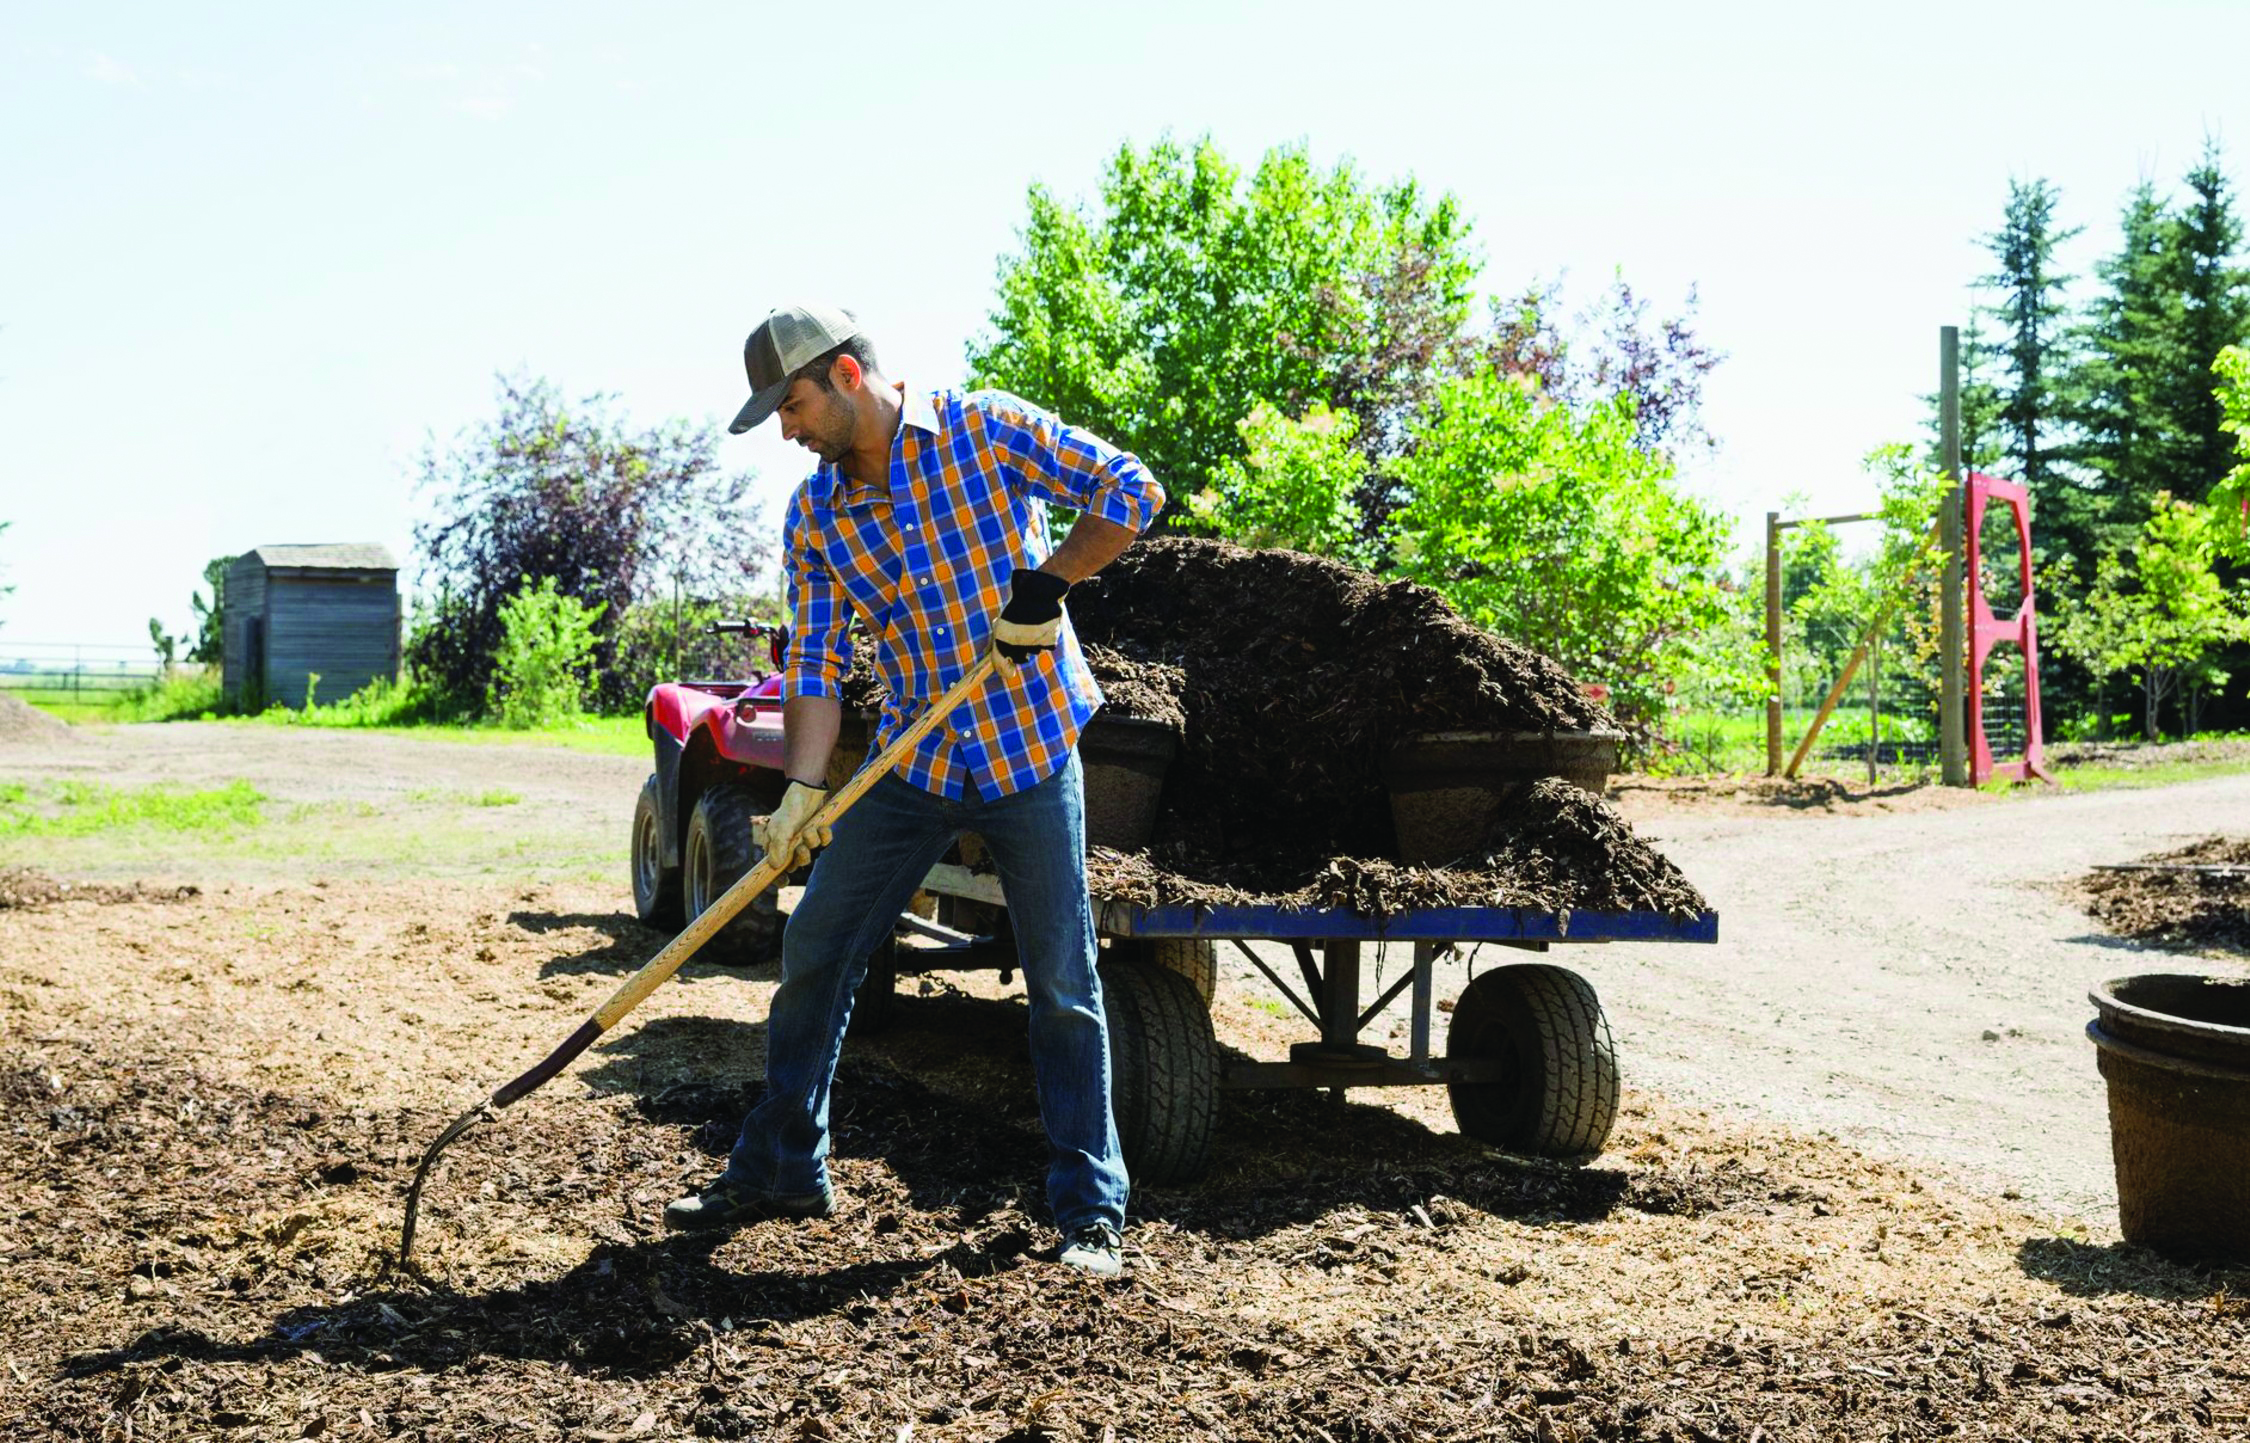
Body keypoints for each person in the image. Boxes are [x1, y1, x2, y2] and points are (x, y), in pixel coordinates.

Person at [664, 303, 1164, 1278]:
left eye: (794, 403)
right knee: (816, 947)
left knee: (1063, 983)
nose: (788, 429)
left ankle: (1090, 1210)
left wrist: (1049, 583)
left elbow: (1131, 490)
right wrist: (805, 790)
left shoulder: (986, 430)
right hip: (914, 763)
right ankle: (783, 1165)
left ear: (848, 376)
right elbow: (811, 660)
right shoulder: (817, 512)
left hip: (1027, 744)